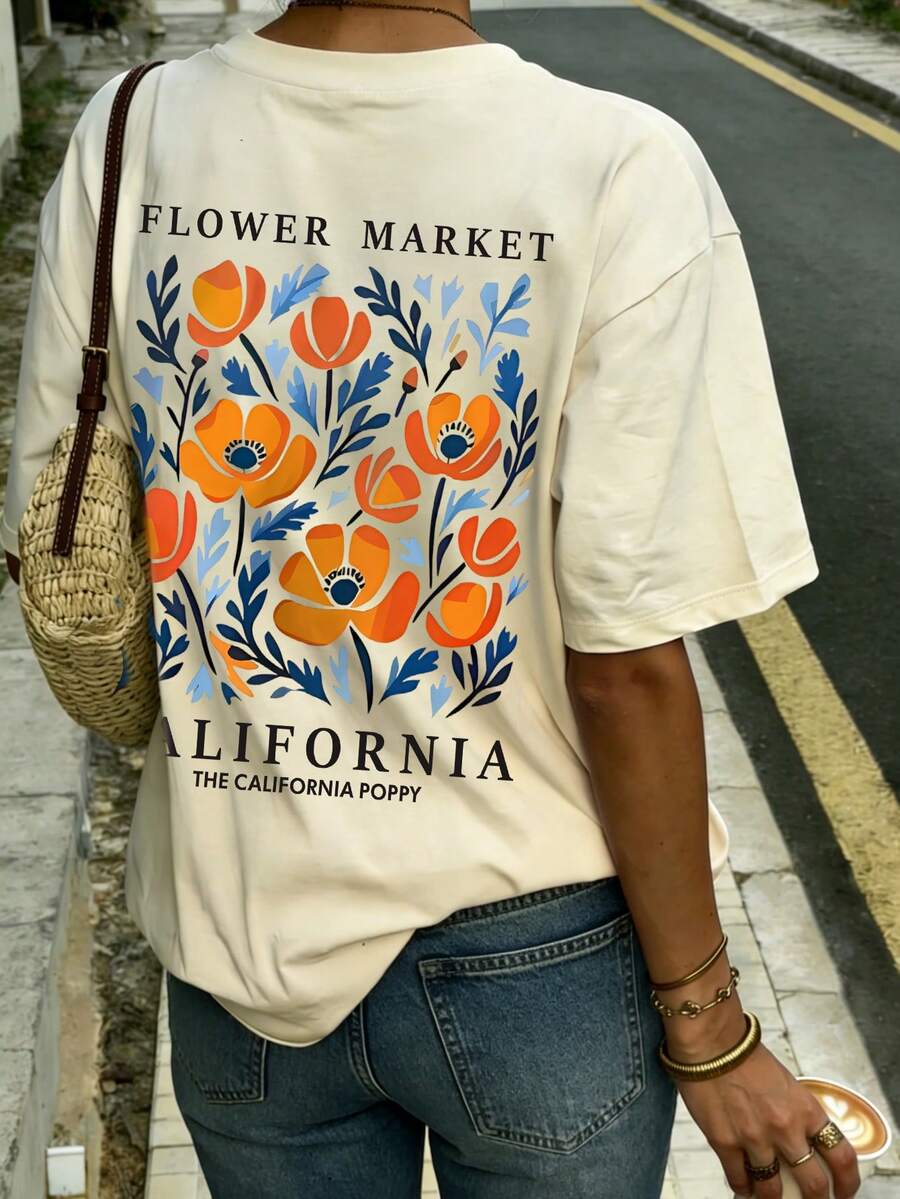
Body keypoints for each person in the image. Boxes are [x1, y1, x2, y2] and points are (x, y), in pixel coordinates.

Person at [2, 0, 861, 1195]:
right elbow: (624, 665)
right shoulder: (617, 164)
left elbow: (64, 520)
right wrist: (711, 1026)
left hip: (239, 920)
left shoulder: (130, 133)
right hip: (535, 945)